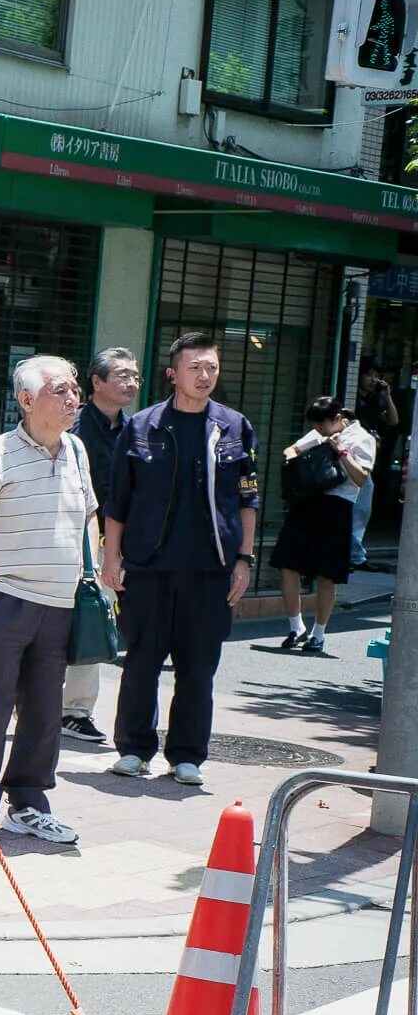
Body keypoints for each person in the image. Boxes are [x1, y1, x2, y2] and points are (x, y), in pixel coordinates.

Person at [104, 331, 260, 787]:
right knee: (141, 662)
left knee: (198, 668)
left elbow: (248, 500)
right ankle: (134, 749)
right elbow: (118, 503)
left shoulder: (234, 426)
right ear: (174, 373)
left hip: (211, 571)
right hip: (149, 567)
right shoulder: (142, 427)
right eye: (195, 367)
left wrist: (244, 559)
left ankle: (187, 755)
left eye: (211, 367)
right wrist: (111, 559)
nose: (204, 375)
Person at [0, 356, 94, 846]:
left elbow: (87, 521)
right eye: (60, 390)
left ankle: (29, 803)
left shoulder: (77, 450)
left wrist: (90, 579)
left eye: (75, 389)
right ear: (27, 400)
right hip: (6, 601)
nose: (73, 397)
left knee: (43, 710)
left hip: (60, 603)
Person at [60, 346, 137, 746]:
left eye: (135, 376)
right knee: (50, 623)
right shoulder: (71, 428)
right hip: (63, 538)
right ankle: (35, 702)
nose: (131, 383)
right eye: (122, 375)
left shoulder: (137, 430)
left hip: (109, 543)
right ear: (97, 382)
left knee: (94, 617)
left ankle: (76, 711)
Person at [271, 396, 375, 655]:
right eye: (315, 426)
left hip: (337, 508)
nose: (318, 430)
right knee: (286, 563)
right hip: (308, 502)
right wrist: (304, 458)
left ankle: (319, 633)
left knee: (327, 575)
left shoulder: (362, 438)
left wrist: (340, 450)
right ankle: (296, 627)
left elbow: (361, 478)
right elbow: (290, 450)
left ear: (338, 419)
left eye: (322, 425)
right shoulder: (319, 433)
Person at [352, 359, 400, 569]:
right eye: (368, 375)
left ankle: (354, 553)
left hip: (366, 462)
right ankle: (353, 555)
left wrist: (387, 396)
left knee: (361, 509)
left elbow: (393, 420)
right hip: (351, 460)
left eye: (376, 375)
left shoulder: (374, 401)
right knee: (357, 508)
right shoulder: (352, 399)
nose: (373, 380)